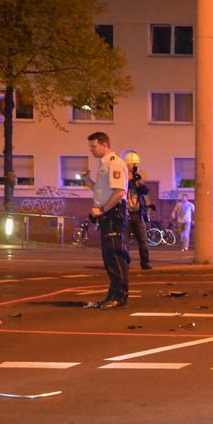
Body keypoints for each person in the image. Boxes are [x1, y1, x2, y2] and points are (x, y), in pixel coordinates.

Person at [82, 131, 130, 308]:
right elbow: (102, 192)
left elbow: (118, 193)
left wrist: (101, 210)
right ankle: (113, 294)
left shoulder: (114, 163)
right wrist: (88, 181)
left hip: (113, 213)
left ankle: (119, 296)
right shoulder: (104, 165)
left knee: (115, 256)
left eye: (94, 146)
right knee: (109, 256)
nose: (92, 150)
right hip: (108, 213)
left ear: (104, 145)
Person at [123, 150, 152, 270]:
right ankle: (125, 263)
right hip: (126, 215)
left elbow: (146, 191)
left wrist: (138, 180)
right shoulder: (125, 184)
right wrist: (129, 179)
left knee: (143, 241)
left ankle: (145, 263)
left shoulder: (137, 185)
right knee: (124, 242)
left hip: (137, 214)